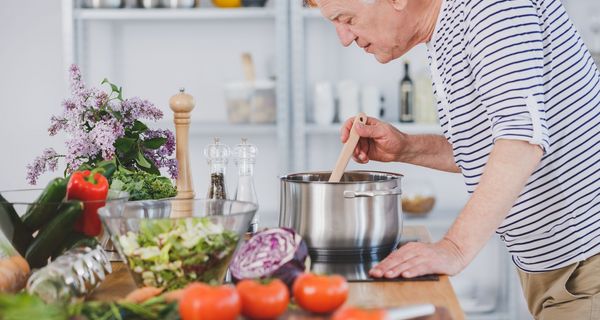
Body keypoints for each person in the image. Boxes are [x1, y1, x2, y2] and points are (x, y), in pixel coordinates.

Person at [307, 0, 600, 318]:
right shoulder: (446, 30)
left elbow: (521, 141)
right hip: (557, 270)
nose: (344, 37)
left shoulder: (491, 6)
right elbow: (496, 146)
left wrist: (454, 249)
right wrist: (405, 148)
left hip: (586, 267)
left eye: (347, 18)